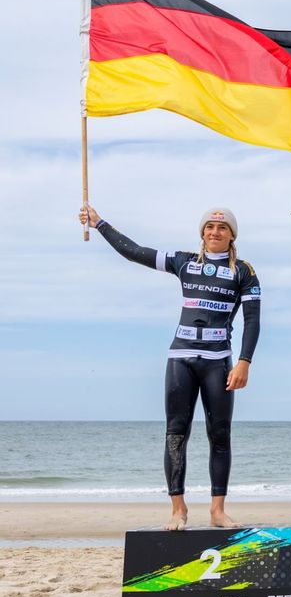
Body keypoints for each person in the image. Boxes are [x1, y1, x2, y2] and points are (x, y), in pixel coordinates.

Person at [79, 205, 261, 531]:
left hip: (218, 361)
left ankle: (217, 511)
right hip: (181, 358)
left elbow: (252, 320)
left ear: (232, 235)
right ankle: (178, 509)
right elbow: (135, 252)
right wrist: (100, 223)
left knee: (220, 435)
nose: (215, 232)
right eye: (209, 227)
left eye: (222, 228)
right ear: (202, 232)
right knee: (176, 433)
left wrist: (244, 362)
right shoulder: (185, 262)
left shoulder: (244, 272)